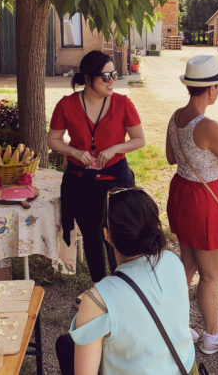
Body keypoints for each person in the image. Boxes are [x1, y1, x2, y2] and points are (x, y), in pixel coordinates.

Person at [55, 187, 197, 375]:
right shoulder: (173, 260)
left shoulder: (98, 301)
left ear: (107, 235)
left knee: (65, 345)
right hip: (185, 367)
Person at [47, 50, 145, 300]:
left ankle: (123, 288)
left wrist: (114, 148)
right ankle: (101, 289)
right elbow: (54, 140)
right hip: (81, 182)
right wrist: (74, 152)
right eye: (106, 76)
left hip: (115, 180)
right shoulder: (67, 105)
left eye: (114, 74)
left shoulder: (123, 103)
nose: (112, 80)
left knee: (118, 235)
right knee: (90, 235)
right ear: (89, 78)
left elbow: (139, 140)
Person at [165, 55, 218, 354]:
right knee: (210, 277)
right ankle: (212, 336)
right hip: (203, 199)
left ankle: (176, 324)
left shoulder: (176, 116)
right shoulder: (209, 125)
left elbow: (171, 158)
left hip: (182, 194)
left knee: (187, 264)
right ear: (211, 90)